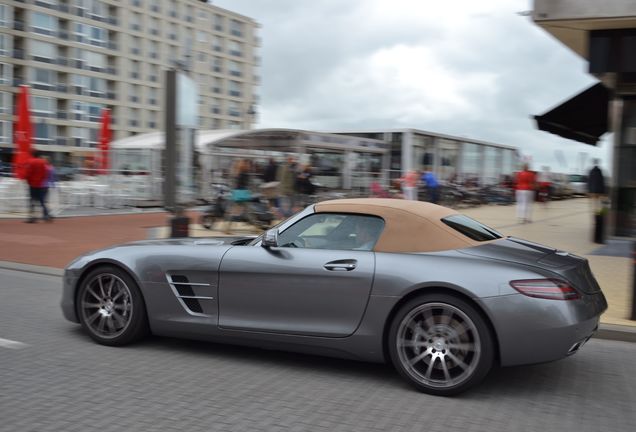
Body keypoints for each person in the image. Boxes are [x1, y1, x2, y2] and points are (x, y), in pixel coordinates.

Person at [24, 151, 52, 223]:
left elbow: (28, 173)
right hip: (40, 185)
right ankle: (46, 215)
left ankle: (32, 217)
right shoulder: (43, 163)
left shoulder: (30, 162)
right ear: (39, 156)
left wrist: (28, 181)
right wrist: (41, 181)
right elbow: (45, 174)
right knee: (42, 201)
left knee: (32, 200)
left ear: (33, 155)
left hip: (32, 184)